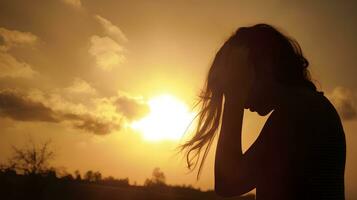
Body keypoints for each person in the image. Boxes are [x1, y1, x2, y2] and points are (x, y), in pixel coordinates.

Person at [179, 24, 346, 199]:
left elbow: (227, 183)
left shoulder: (300, 114)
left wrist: (235, 96)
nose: (245, 104)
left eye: (239, 74)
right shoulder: (310, 107)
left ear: (265, 64)